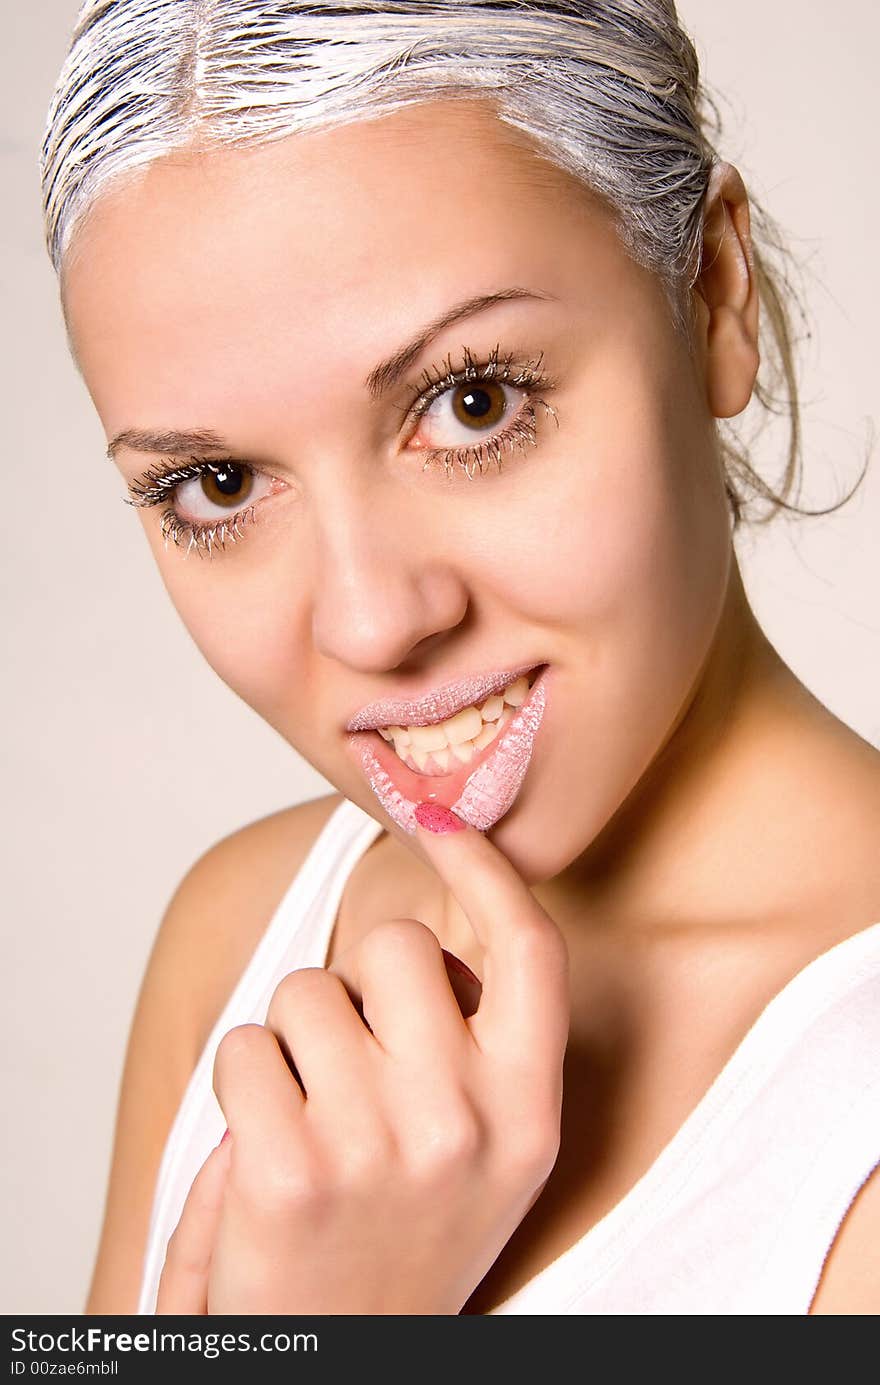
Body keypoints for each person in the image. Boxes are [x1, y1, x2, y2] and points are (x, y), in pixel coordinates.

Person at [41, 0, 879, 1315]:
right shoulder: (239, 939)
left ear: (716, 294)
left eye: (472, 399)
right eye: (215, 482)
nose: (374, 621)